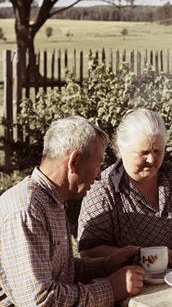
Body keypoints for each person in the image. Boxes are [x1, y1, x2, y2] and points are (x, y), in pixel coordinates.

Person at [0, 116, 145, 306]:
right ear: (74, 161)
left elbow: (61, 270)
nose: (100, 175)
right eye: (98, 164)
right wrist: (111, 289)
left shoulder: (51, 200)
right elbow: (39, 301)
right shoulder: (27, 210)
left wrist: (107, 264)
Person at [77, 108, 172, 261]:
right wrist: (140, 255)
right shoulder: (104, 190)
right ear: (122, 149)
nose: (151, 159)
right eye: (143, 152)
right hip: (136, 282)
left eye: (158, 151)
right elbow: (88, 251)